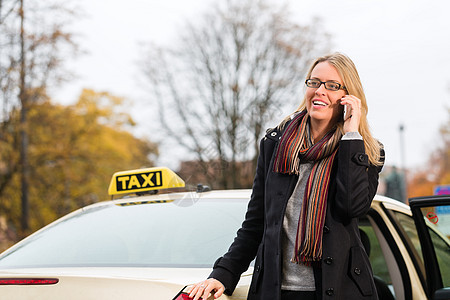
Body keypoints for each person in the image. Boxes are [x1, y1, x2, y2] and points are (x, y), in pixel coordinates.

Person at [188, 52, 384, 300]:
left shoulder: (363, 151)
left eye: (333, 86)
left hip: (337, 292)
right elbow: (256, 223)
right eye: (314, 82)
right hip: (276, 291)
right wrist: (223, 274)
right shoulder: (275, 145)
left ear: (349, 96)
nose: (320, 91)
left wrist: (351, 137)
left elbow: (351, 207)